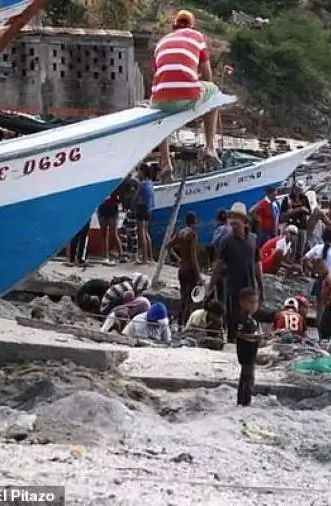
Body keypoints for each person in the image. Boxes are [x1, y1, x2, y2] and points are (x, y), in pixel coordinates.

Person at [151, 10, 220, 175]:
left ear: (173, 26)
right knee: (215, 92)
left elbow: (158, 76)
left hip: (160, 98)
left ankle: (166, 162)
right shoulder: (197, 37)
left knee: (160, 118)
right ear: (192, 26)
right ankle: (210, 147)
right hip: (187, 93)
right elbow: (208, 77)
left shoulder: (161, 43)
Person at [207, 202, 264, 343]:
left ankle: (247, 340)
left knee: (249, 317)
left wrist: (261, 285)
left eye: (236, 218)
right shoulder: (226, 241)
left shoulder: (253, 239)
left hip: (249, 284)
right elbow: (219, 266)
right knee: (232, 317)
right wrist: (210, 286)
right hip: (233, 286)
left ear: (244, 221)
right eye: (231, 218)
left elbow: (257, 263)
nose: (233, 221)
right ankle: (232, 341)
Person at [234, 287, 272, 406]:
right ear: (242, 303)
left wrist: (260, 337)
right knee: (248, 378)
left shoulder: (253, 319)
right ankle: (245, 401)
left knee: (246, 376)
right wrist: (254, 338)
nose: (254, 305)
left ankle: (243, 400)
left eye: (255, 302)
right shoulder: (242, 318)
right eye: (250, 302)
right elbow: (240, 334)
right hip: (245, 352)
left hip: (251, 352)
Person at [167, 212, 201, 325]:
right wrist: (199, 275)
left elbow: (168, 246)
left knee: (183, 297)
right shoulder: (192, 235)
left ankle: (179, 322)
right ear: (194, 222)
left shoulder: (180, 232)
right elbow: (193, 257)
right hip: (190, 270)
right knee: (190, 300)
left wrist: (178, 259)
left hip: (182, 269)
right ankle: (186, 324)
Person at [279, 181, 311, 260]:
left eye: (300, 190)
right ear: (294, 188)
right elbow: (282, 216)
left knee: (300, 251)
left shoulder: (304, 198)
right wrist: (297, 210)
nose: (298, 192)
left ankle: (298, 267)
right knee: (292, 250)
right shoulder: (287, 199)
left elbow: (309, 211)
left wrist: (303, 210)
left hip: (302, 227)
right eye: (297, 189)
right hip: (292, 227)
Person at [134, 164, 155, 264]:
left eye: (138, 170)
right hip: (148, 209)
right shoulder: (150, 182)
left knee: (141, 233)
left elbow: (135, 197)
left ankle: (145, 259)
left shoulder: (141, 184)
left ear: (142, 171)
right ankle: (150, 257)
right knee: (146, 233)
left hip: (142, 208)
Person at [97, 189, 122, 265]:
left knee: (113, 232)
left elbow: (120, 197)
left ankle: (121, 254)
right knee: (104, 233)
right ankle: (105, 256)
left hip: (112, 207)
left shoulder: (115, 184)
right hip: (103, 207)